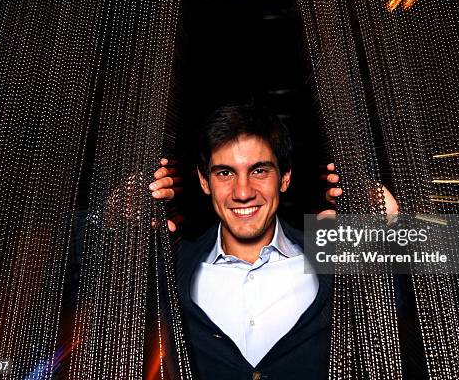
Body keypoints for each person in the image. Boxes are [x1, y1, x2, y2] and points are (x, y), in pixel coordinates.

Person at [149, 103, 398, 379]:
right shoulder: (175, 266)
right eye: (225, 173)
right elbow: (95, 277)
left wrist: (392, 224)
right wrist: (108, 219)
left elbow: (437, 284)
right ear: (204, 182)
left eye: (259, 171)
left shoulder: (331, 257)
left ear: (285, 178)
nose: (242, 192)